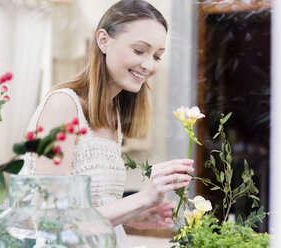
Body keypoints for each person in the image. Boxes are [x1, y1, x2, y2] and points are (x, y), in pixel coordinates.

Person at [20, 0, 194, 246]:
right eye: (139, 50)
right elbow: (50, 221)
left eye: (157, 56)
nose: (149, 64)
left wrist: (131, 217)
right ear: (103, 40)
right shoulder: (62, 106)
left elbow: (88, 212)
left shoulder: (113, 114)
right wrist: (143, 198)